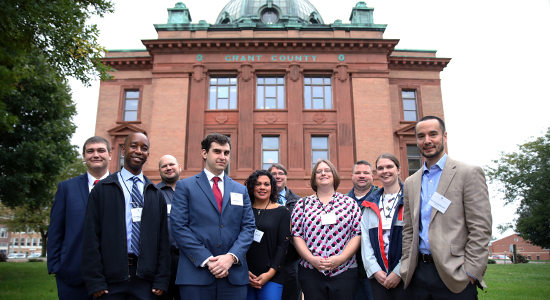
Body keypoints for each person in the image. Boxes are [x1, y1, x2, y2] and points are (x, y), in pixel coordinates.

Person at [400, 116, 492, 299]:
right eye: (421, 136)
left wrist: (470, 272)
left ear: (445, 136)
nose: (427, 141)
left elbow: (481, 228)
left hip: (455, 275)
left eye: (433, 134)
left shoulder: (468, 173)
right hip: (417, 275)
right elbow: (409, 229)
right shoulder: (410, 182)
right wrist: (406, 265)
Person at [82, 132, 170, 299]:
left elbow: (163, 240)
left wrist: (161, 279)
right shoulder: (103, 189)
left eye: (144, 148)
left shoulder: (155, 193)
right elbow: (90, 236)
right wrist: (95, 280)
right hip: (110, 281)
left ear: (147, 155)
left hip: (145, 280)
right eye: (133, 146)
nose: (138, 151)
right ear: (123, 150)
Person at [171, 133, 255, 300]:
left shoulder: (240, 190)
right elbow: (179, 227)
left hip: (233, 276)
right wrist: (207, 259)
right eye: (217, 151)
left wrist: (231, 258)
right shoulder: (185, 187)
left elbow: (248, 227)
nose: (222, 157)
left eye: (226, 152)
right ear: (204, 153)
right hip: (196, 275)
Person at [48, 136, 112, 300]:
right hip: (72, 273)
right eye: (90, 151)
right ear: (84, 157)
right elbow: (56, 229)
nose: (95, 155)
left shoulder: (122, 187)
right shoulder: (66, 188)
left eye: (101, 150)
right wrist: (56, 265)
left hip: (112, 277)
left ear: (110, 155)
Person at [291, 159, 362, 300]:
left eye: (327, 170)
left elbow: (357, 233)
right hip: (311, 271)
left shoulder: (349, 203)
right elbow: (296, 234)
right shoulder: (302, 204)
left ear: (334, 175)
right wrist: (312, 259)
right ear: (314, 177)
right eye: (319, 171)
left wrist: (341, 259)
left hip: (345, 270)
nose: (323, 173)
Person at [360, 154, 407, 300]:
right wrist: (374, 270)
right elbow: (365, 240)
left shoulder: (411, 199)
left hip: (406, 275)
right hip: (378, 276)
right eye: (380, 168)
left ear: (398, 169)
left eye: (389, 167)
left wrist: (399, 271)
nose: (385, 171)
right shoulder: (370, 204)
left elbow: (414, 239)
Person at [244, 170, 291, 300]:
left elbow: (283, 245)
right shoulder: (243, 210)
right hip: (243, 274)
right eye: (258, 184)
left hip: (271, 275)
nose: (262, 188)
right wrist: (243, 271)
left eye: (266, 184)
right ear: (251, 186)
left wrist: (270, 273)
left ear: (272, 187)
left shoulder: (282, 212)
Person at [267, 163, 302, 300]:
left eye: (281, 173)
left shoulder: (298, 202)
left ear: (286, 177)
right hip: (267, 260)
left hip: (291, 261)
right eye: (274, 174)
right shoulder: (261, 199)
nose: (277, 176)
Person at [348, 160, 378, 300]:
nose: (362, 176)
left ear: (372, 176)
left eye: (366, 173)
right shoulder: (343, 202)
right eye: (358, 173)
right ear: (352, 176)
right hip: (350, 269)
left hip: (377, 268)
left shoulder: (380, 198)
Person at [156, 155, 182, 300]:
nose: (168, 168)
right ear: (159, 171)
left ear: (179, 167)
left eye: (171, 164)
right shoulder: (152, 193)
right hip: (162, 261)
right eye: (164, 166)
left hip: (187, 259)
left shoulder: (190, 192)